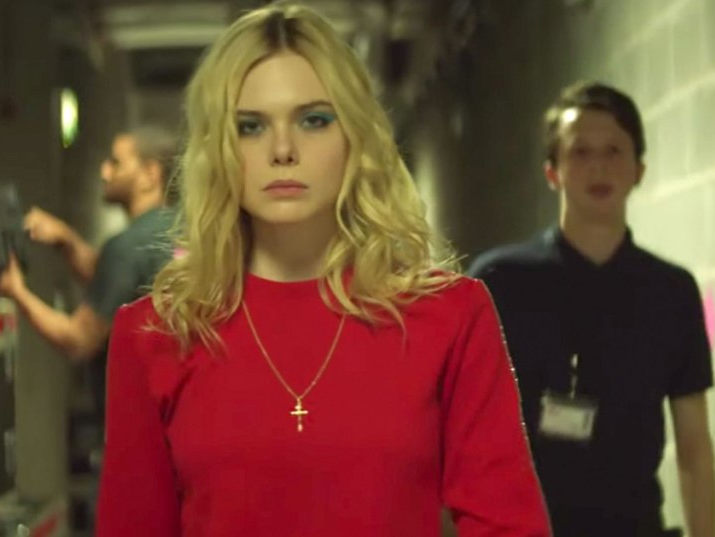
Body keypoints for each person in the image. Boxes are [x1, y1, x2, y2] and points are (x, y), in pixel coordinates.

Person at [95, 3, 550, 536]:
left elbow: (509, 525)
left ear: (354, 136)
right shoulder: (155, 333)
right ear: (217, 150)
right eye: (250, 127)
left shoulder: (450, 316)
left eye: (313, 120)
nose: (283, 150)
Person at [467, 82, 715, 537]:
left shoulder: (671, 291)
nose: (599, 166)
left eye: (614, 151)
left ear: (639, 169)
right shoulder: (500, 281)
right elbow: (460, 434)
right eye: (580, 152)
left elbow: (694, 447)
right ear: (552, 171)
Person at [0, 126, 177, 415]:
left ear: (150, 174)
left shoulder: (128, 247)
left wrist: (16, 290)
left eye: (116, 163)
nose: (104, 172)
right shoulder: (176, 232)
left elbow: (78, 340)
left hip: (140, 419)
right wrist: (67, 241)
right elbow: (117, 284)